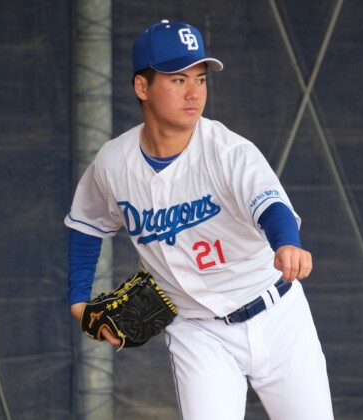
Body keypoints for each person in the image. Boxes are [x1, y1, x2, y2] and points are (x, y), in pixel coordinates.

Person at [65, 19, 334, 420]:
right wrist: (78, 299)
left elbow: (270, 206)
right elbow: (86, 226)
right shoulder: (113, 163)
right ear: (143, 87)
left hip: (278, 319)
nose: (194, 93)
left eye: (201, 79)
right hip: (198, 332)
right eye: (177, 80)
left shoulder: (228, 152)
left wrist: (287, 242)